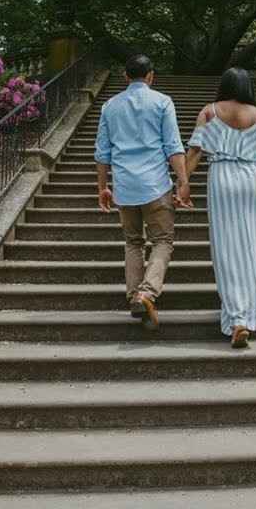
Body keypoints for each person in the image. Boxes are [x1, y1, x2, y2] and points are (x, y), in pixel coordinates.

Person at [186, 67, 256, 348]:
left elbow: (195, 151)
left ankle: (236, 318)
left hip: (223, 179)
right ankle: (246, 316)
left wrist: (182, 183)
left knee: (227, 250)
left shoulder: (209, 112)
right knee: (252, 249)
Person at [94, 54, 192, 331]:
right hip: (155, 184)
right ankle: (147, 293)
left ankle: (133, 295)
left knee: (133, 242)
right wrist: (183, 181)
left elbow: (102, 153)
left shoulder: (110, 106)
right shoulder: (162, 101)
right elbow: (173, 145)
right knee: (163, 240)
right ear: (150, 76)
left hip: (124, 186)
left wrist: (103, 187)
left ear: (126, 77)